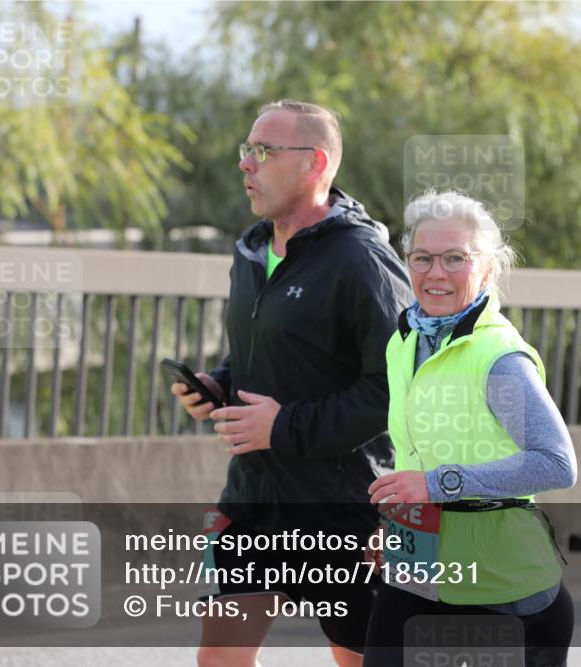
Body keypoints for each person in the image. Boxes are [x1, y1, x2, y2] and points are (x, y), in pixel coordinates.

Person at [170, 100, 411, 667]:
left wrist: (283, 426)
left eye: (264, 151)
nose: (246, 164)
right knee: (219, 660)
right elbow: (267, 350)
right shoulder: (251, 250)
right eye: (246, 149)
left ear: (314, 163)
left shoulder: (363, 259)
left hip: (341, 508)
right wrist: (219, 384)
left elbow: (397, 388)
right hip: (253, 498)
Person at [363, 190, 577, 667]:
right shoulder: (405, 341)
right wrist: (398, 525)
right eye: (422, 258)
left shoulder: (498, 359)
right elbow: (419, 452)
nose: (435, 273)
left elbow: (556, 463)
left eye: (455, 258)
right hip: (417, 577)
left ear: (487, 269)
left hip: (502, 593)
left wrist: (435, 486)